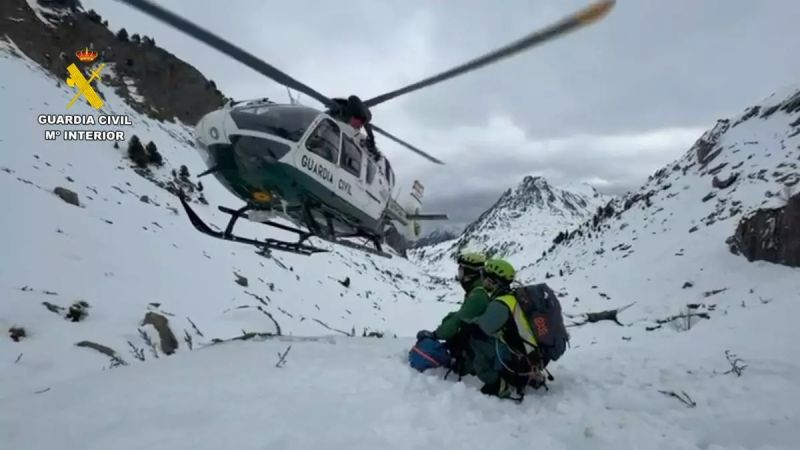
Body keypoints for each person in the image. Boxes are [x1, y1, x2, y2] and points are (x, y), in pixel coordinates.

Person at [460, 258, 545, 401]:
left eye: (485, 277)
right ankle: (530, 375)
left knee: (475, 340)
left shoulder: (501, 304)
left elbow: (483, 327)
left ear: (493, 281)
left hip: (518, 360)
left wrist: (467, 324)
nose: (483, 281)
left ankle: (499, 383)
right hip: (532, 356)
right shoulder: (513, 298)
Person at [415, 251, 490, 375]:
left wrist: (435, 334)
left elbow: (458, 321)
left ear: (470, 273)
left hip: (479, 352)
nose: (459, 275)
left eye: (461, 271)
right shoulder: (480, 291)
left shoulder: (478, 296)